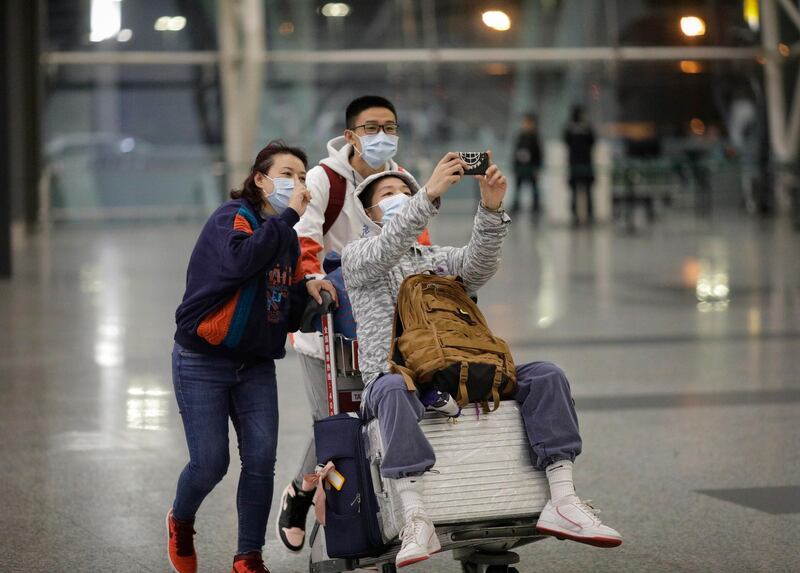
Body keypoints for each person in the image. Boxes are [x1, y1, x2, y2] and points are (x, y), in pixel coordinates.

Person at [341, 153, 623, 568]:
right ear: (368, 212)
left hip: (460, 371)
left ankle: (563, 499)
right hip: (399, 379)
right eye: (389, 194)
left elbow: (478, 266)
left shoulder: (436, 259)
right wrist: (429, 194)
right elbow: (389, 245)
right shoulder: (359, 257)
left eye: (406, 191)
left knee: (546, 376)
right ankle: (414, 516)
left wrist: (491, 208)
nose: (400, 197)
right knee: (390, 388)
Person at [167, 141, 336, 573]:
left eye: (301, 176)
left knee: (260, 461)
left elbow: (284, 303)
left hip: (256, 365)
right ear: (260, 179)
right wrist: (291, 217)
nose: (296, 183)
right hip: (202, 359)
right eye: (286, 174)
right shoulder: (231, 219)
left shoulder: (286, 236)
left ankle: (248, 558)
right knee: (210, 464)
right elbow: (241, 260)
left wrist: (308, 292)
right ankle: (181, 521)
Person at [277, 95, 430, 552]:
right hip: (327, 322)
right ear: (351, 135)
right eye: (371, 127)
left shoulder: (400, 180)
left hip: (385, 322)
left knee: (369, 414)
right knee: (333, 421)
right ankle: (305, 496)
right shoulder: (324, 180)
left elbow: (418, 240)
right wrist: (315, 279)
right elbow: (303, 235)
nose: (382, 135)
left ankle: (322, 491)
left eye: (390, 126)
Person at [564, 105, 596, 225]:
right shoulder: (570, 128)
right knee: (574, 192)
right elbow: (566, 141)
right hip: (575, 163)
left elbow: (593, 141)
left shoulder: (587, 127)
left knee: (588, 192)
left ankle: (590, 215)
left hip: (586, 163)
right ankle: (575, 216)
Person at [511, 113, 543, 215]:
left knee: (534, 189)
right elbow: (515, 151)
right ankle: (516, 206)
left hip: (531, 167)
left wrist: (537, 167)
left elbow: (539, 154)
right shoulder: (520, 136)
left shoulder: (535, 137)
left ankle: (536, 207)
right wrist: (515, 165)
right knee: (518, 188)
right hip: (520, 167)